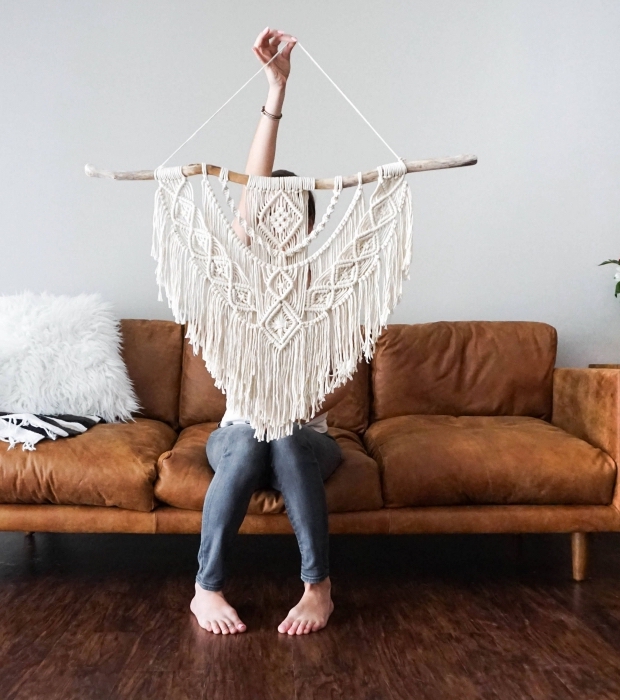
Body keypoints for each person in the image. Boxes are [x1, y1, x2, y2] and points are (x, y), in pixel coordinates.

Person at [190, 27, 352, 636]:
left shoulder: (321, 293)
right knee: (253, 435)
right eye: (269, 217)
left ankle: (318, 590)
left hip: (304, 440)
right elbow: (253, 194)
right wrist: (275, 90)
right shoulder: (245, 281)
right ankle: (206, 590)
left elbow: (330, 390)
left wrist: (290, 402)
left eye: (292, 218)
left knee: (282, 433)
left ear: (308, 228)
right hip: (236, 436)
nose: (279, 227)